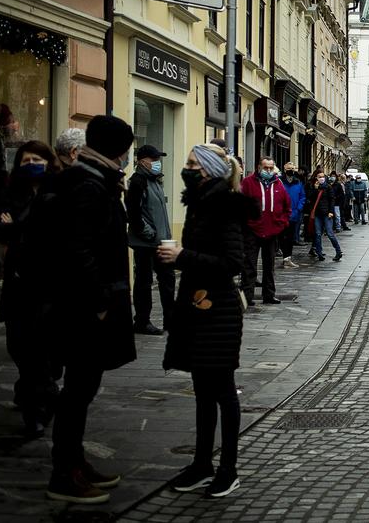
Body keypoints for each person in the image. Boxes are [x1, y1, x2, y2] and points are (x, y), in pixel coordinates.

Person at [45, 115, 136, 504]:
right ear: (120, 149)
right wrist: (99, 300)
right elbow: (78, 247)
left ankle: (74, 462)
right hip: (85, 306)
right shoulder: (88, 184)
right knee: (78, 389)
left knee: (83, 387)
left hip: (86, 301)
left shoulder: (90, 178)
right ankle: (65, 473)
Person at [159, 143, 248, 499]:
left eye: (193, 164)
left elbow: (232, 263)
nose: (187, 168)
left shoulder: (223, 208)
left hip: (219, 312)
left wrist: (183, 255)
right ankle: (201, 464)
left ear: (209, 169)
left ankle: (228, 470)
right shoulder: (201, 204)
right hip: (199, 309)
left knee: (222, 392)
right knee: (202, 393)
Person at [0, 140, 61, 437]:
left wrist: (17, 229)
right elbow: (1, 232)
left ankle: (38, 408)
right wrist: (15, 230)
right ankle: (39, 391)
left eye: (37, 158)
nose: (31, 163)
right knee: (18, 346)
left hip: (50, 284)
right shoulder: (13, 193)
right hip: (18, 283)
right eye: (25, 160)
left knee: (41, 348)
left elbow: (55, 234)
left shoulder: (58, 192)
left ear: (48, 161)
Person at [126, 144, 175, 335]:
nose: (157, 163)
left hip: (160, 241)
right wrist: (148, 233)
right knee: (144, 282)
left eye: (158, 160)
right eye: (154, 160)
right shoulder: (138, 181)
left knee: (167, 280)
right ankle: (142, 321)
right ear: (142, 161)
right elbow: (134, 212)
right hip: (145, 243)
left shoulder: (154, 180)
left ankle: (170, 320)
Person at [239, 157, 290, 305]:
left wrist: (282, 223)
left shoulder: (278, 184)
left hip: (272, 231)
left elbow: (287, 206)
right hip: (252, 231)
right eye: (266, 167)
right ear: (259, 167)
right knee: (249, 266)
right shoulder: (248, 183)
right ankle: (247, 297)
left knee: (270, 266)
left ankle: (269, 295)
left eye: (271, 168)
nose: (268, 170)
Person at [307, 170, 342, 261]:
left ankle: (338, 251)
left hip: (327, 214)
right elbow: (310, 198)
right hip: (317, 214)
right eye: (319, 176)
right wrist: (315, 189)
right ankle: (319, 253)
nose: (321, 178)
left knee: (330, 233)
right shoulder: (313, 187)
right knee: (318, 234)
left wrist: (331, 211)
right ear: (316, 178)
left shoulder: (328, 187)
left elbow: (332, 200)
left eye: (323, 176)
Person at [280, 163, 305, 269]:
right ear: (284, 169)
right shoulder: (279, 181)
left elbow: (302, 196)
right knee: (281, 236)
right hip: (281, 214)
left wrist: (299, 208)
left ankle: (288, 258)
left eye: (292, 169)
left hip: (294, 213)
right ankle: (284, 256)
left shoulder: (298, 182)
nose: (290, 170)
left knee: (290, 237)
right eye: (288, 168)